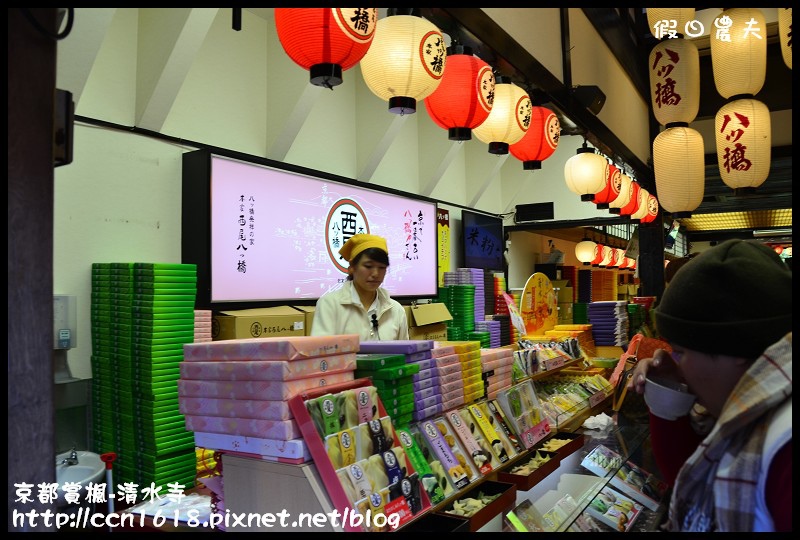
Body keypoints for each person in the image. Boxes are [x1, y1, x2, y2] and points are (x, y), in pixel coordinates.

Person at [626, 239, 792, 532]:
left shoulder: (785, 451)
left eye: (683, 352)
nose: (679, 364)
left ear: (734, 348)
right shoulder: (753, 416)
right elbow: (693, 485)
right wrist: (668, 395)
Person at [311, 234, 409, 342]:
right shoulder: (330, 304)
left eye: (381, 267)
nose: (376, 274)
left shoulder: (396, 310)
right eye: (368, 266)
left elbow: (406, 354)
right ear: (352, 267)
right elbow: (320, 353)